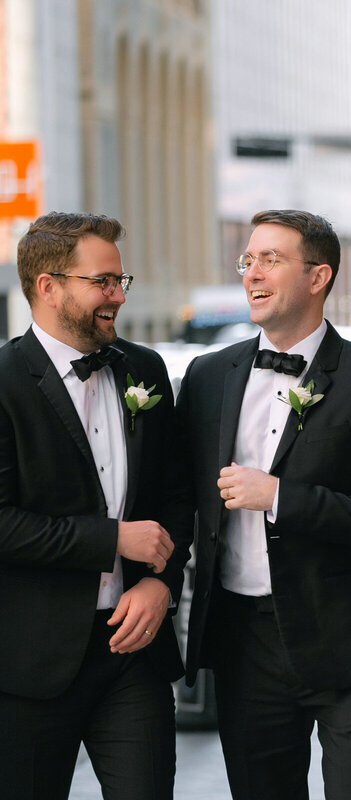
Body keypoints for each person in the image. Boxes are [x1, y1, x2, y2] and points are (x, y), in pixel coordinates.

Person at [177, 209, 351, 799]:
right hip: (243, 641)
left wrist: (280, 496)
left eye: (270, 259)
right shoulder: (207, 376)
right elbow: (176, 496)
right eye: (248, 259)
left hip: (349, 637)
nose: (252, 273)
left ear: (318, 277)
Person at [0, 212, 190, 798]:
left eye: (120, 281)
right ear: (48, 286)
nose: (116, 296)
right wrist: (111, 540)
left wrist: (163, 583)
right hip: (29, 663)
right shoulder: (3, 380)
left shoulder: (145, 368)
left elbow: (175, 495)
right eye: (102, 282)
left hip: (134, 653)